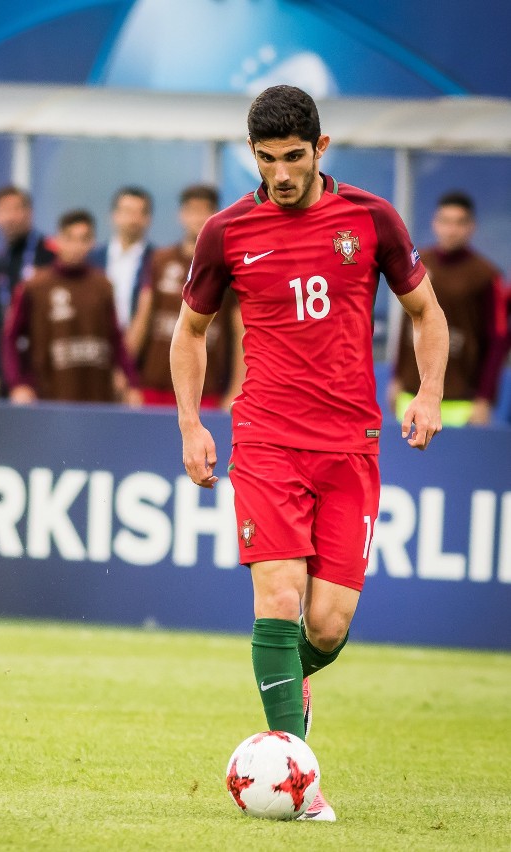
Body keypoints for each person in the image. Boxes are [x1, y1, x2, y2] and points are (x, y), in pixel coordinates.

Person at [170, 85, 448, 822]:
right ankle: (296, 779)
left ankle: (289, 687)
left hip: (351, 446)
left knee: (325, 625)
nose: (281, 173)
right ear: (252, 155)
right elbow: (189, 333)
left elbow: (427, 313)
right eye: (266, 160)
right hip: (265, 440)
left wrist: (429, 393)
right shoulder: (227, 232)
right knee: (280, 600)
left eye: (294, 157)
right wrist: (192, 425)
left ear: (321, 149)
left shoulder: (370, 218)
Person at [389, 191, 506, 426]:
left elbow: (498, 340)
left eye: (459, 222)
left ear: (471, 227)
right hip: (412, 394)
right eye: (445, 221)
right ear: (435, 223)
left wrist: (484, 398)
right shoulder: (417, 263)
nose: (451, 229)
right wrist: (396, 377)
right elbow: (407, 323)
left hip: (461, 401)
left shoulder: (486, 276)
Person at [3, 209, 140, 404]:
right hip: (49, 396)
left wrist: (132, 382)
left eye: (84, 239)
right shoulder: (34, 286)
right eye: (70, 238)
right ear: (57, 241)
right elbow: (11, 337)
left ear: (92, 242)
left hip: (98, 396)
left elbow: (115, 337)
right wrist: (18, 384)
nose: (76, 246)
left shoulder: (103, 285)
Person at [126, 184, 244, 409]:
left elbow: (241, 332)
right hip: (154, 385)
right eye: (192, 210)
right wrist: (128, 377)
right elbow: (142, 319)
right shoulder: (160, 260)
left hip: (205, 388)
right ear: (181, 215)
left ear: (215, 215)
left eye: (204, 210)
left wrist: (236, 388)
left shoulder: (228, 265)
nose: (197, 217)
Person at [0, 185, 55, 400]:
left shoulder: (49, 255)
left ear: (29, 212)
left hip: (45, 368)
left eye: (15, 209)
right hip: (11, 367)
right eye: (2, 211)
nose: (9, 218)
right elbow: (1, 324)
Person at [90, 186, 154, 329]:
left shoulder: (156, 261)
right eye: (127, 211)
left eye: (140, 212)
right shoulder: (93, 259)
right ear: (114, 215)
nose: (133, 219)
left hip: (140, 342)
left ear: (148, 218)